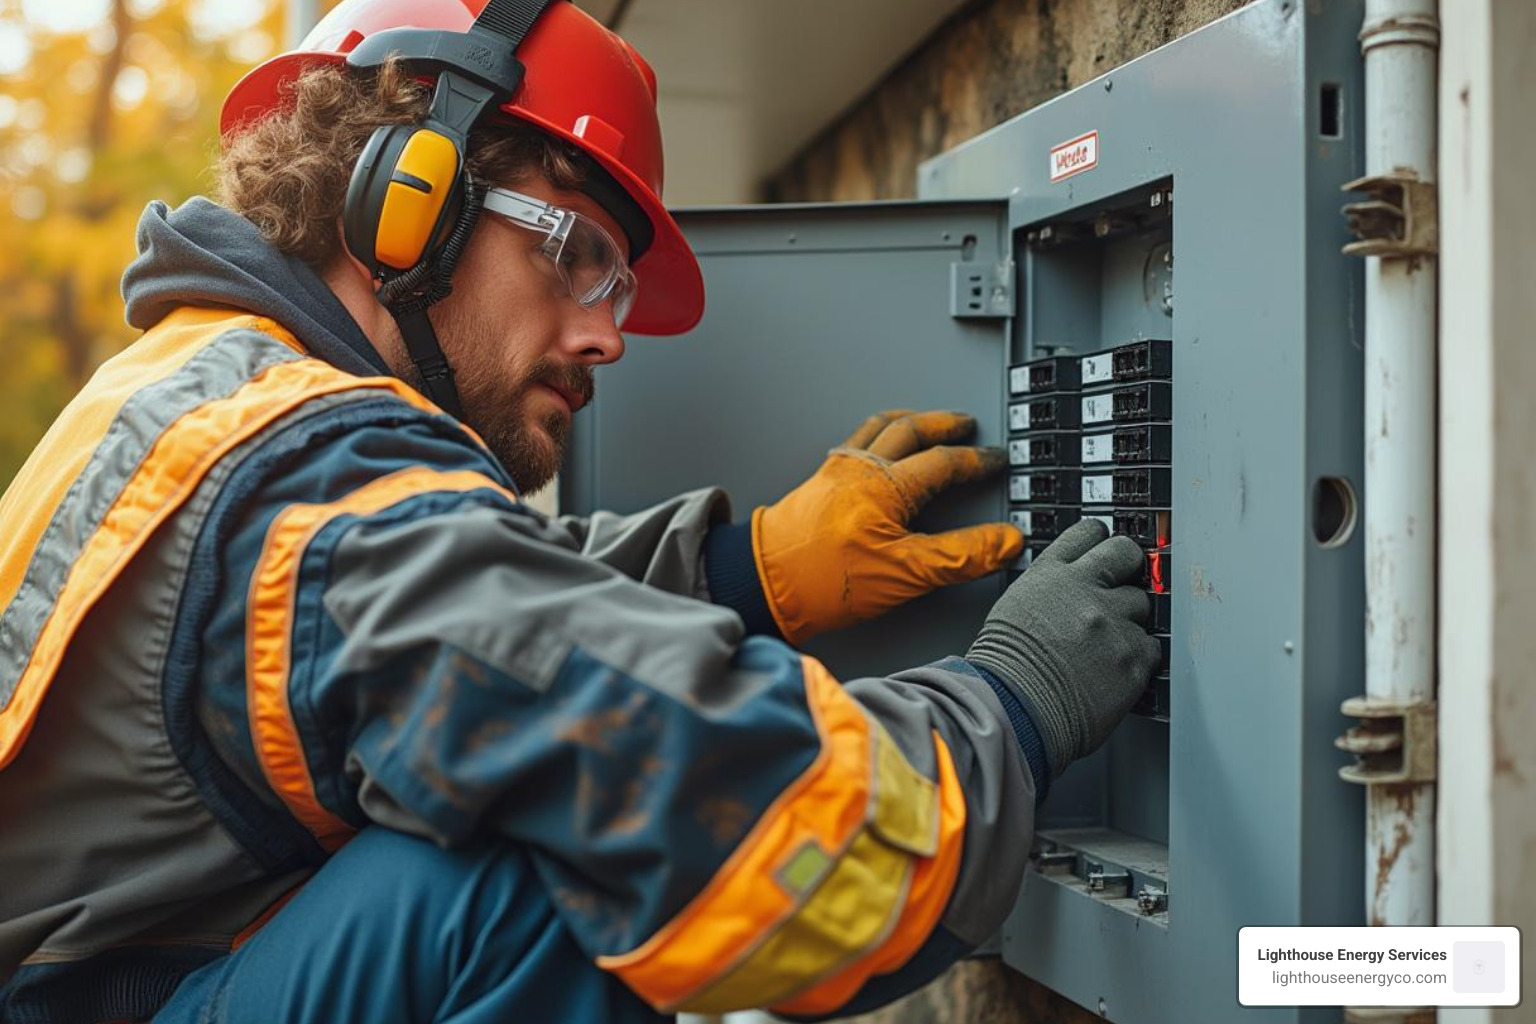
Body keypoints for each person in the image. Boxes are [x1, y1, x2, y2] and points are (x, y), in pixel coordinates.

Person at [0, 0, 1161, 1020]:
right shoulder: (319, 489)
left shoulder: (211, 393)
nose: (610, 333)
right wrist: (1016, 702)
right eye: (581, 257)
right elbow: (743, 824)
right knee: (561, 860)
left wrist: (749, 570)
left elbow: (445, 626)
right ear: (412, 197)